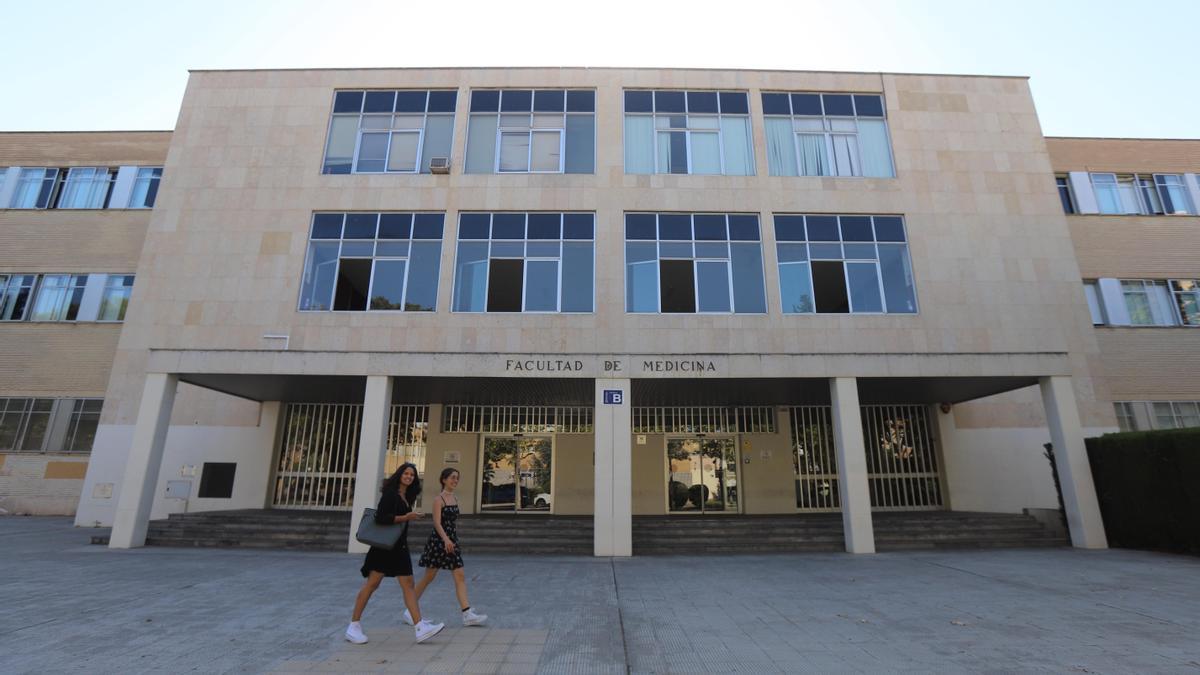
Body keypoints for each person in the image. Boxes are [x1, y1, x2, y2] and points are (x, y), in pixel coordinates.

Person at [346, 462, 445, 645]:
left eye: (412, 475)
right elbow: (382, 517)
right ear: (399, 474)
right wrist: (406, 517)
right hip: (384, 548)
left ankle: (419, 627)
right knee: (372, 584)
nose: (409, 477)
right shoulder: (390, 494)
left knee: (408, 584)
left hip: (399, 547)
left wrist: (410, 516)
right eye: (406, 473)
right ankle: (353, 625)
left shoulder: (407, 496)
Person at [404, 467, 487, 627]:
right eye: (452, 478)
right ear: (444, 480)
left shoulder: (454, 498)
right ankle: (409, 610)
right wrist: (446, 539)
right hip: (439, 542)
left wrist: (451, 540)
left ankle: (467, 613)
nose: (455, 481)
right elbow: (436, 522)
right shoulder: (438, 499)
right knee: (429, 577)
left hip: (451, 541)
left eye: (457, 478)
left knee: (459, 575)